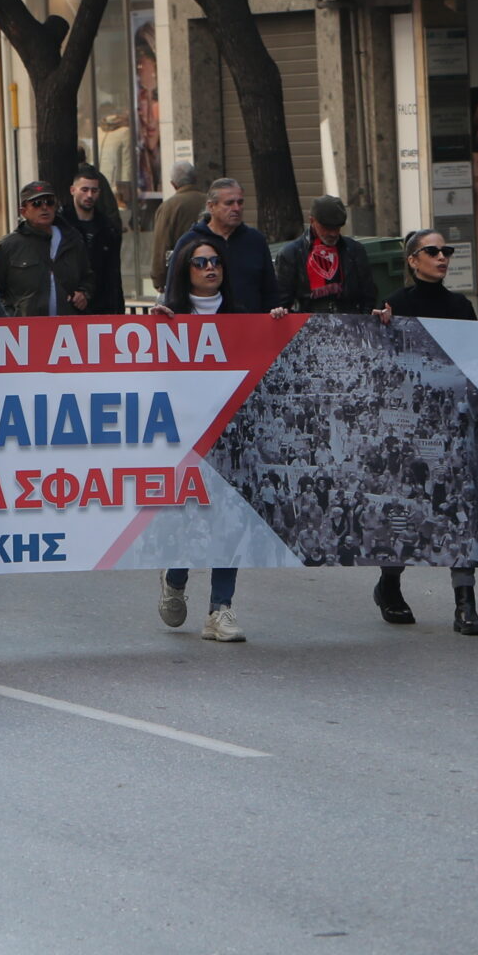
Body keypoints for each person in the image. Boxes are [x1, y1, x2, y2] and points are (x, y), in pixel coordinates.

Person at [371, 228, 478, 635]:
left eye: (446, 250)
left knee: (460, 507)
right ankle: (389, 583)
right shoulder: (396, 305)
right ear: (413, 260)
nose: (442, 257)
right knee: (407, 507)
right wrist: (381, 326)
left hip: (455, 425)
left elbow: (475, 360)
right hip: (411, 428)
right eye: (432, 251)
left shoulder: (460, 305)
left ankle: (464, 602)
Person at [152, 242, 248, 642]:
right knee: (191, 518)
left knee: (228, 520)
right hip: (185, 434)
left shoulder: (243, 316)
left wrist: (276, 323)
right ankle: (175, 577)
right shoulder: (169, 316)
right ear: (185, 270)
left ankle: (219, 609)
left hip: (230, 435)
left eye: (215, 262)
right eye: (200, 262)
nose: (210, 268)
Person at [0, 181, 89, 317]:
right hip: (23, 331)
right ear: (23, 211)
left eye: (50, 202)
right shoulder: (7, 246)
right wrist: (10, 315)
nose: (44, 207)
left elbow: (88, 276)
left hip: (68, 329)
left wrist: (84, 293)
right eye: (36, 204)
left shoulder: (72, 240)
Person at [172, 179, 276, 314]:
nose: (236, 208)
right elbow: (174, 291)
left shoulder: (256, 240)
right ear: (211, 207)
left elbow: (270, 290)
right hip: (200, 329)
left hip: (252, 328)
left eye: (240, 202)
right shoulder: (189, 241)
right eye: (229, 203)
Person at [273, 195, 379, 314]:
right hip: (309, 324)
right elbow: (282, 303)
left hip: (349, 323)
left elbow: (369, 296)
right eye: (327, 228)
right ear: (312, 221)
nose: (333, 233)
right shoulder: (291, 254)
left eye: (337, 227)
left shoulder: (354, 250)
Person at [68, 169, 126, 314]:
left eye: (94, 191)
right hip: (71, 307)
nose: (89, 195)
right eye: (85, 189)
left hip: (102, 308)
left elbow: (114, 275)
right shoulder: (60, 226)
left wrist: (118, 311)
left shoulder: (108, 228)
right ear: (73, 190)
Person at [149, 161, 206, 295]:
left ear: (173, 184)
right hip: (211, 272)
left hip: (181, 276)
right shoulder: (210, 201)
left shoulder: (169, 207)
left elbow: (161, 245)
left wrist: (159, 279)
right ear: (195, 179)